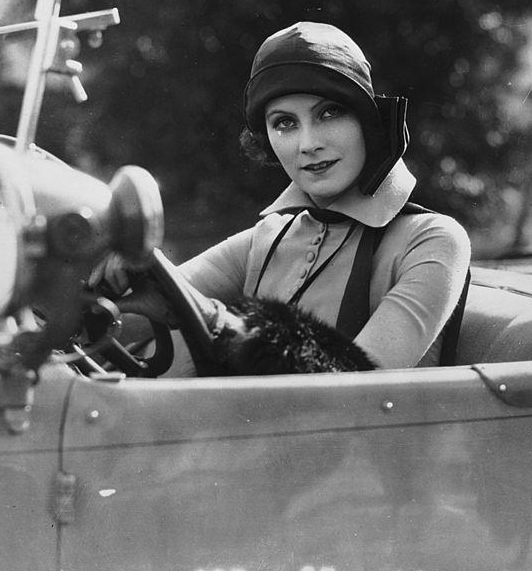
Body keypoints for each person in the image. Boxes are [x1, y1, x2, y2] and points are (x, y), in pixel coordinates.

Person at [108, 21, 471, 374]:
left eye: (330, 113)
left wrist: (234, 329)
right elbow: (133, 315)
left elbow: (364, 390)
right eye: (285, 123)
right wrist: (107, 279)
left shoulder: (432, 240)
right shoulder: (265, 239)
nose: (308, 143)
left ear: (367, 121)